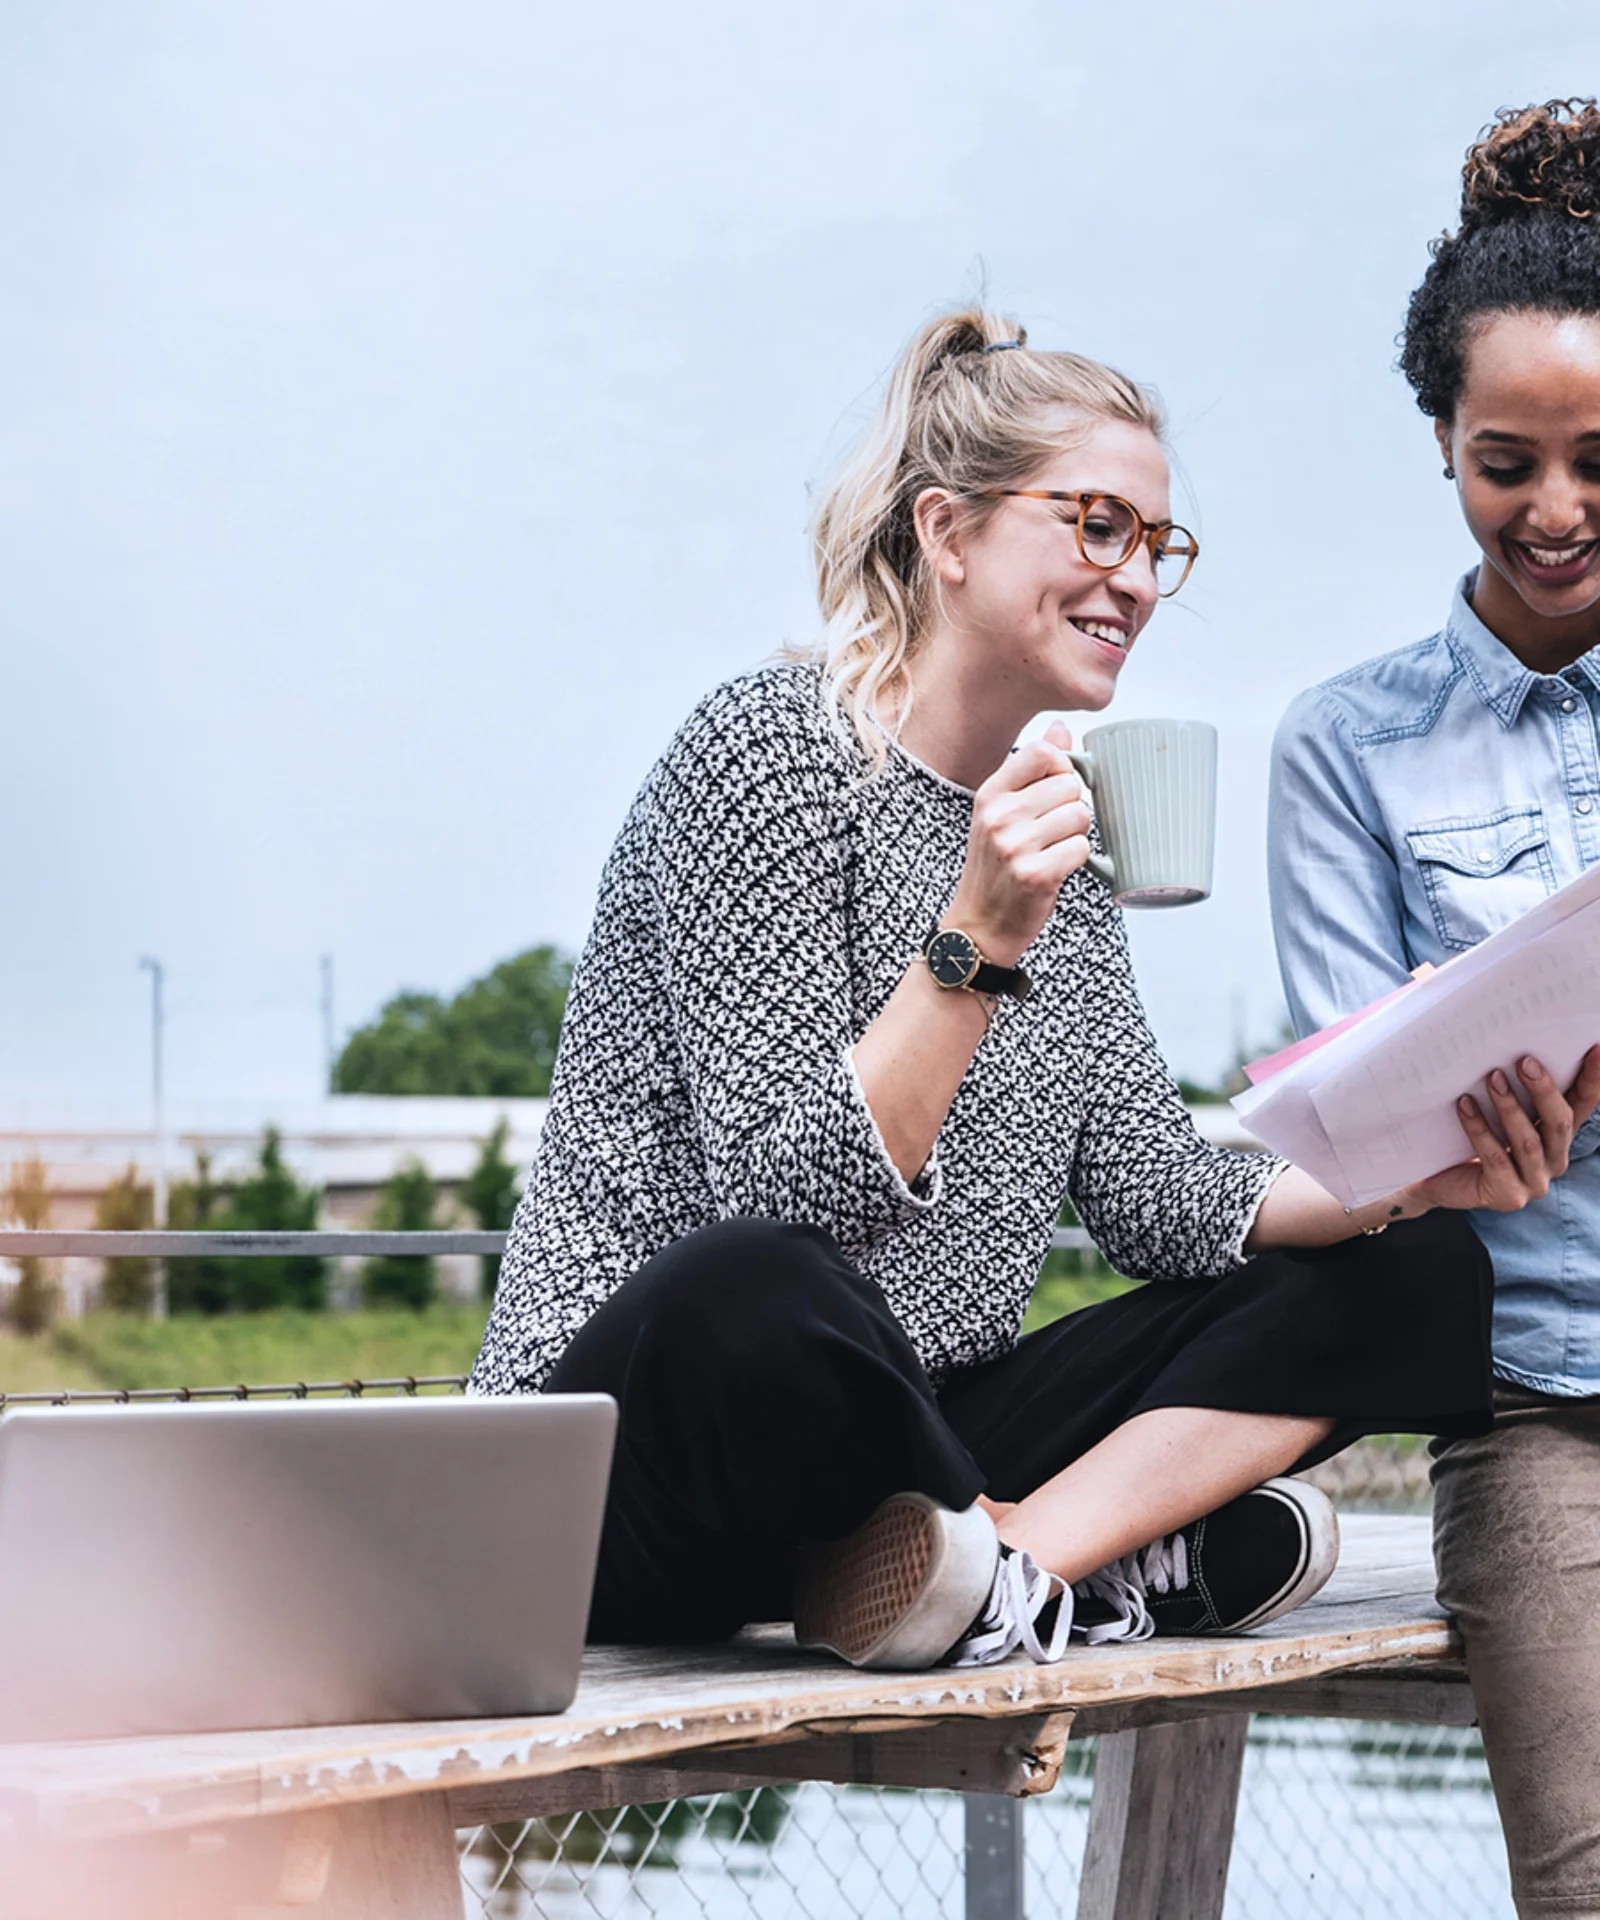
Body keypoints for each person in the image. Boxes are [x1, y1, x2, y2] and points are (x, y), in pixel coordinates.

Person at [473, 305, 1586, 1677]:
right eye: (1096, 525)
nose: (1136, 578)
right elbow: (781, 1206)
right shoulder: (766, 752)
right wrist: (976, 941)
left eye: (1157, 545)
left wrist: (1427, 1170)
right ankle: (1088, 1558)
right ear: (947, 533)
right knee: (753, 1280)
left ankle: (1016, 1566)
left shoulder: (1067, 827)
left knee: (1414, 1278)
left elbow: (1162, 1203)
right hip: (626, 1477)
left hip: (891, 1490)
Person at [1269, 98, 1600, 1920]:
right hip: (1538, 1407)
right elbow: (1351, 1121)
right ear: (1446, 451)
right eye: (1505, 463)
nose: (1554, 512)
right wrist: (1450, 1147)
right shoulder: (1348, 746)